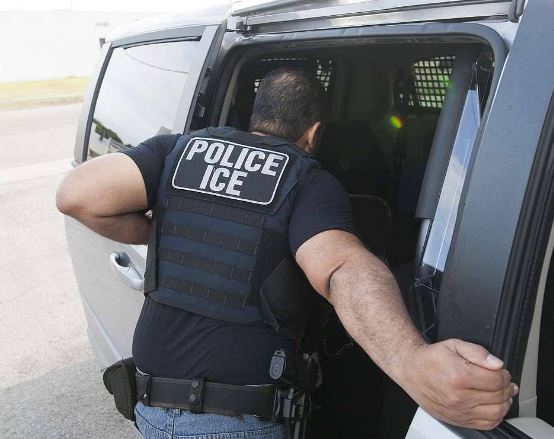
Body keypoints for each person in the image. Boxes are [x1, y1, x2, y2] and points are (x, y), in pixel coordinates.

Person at [57, 68, 517, 439]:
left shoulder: (178, 149)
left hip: (150, 409)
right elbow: (342, 267)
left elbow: (77, 196)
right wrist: (412, 362)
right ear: (314, 133)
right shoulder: (308, 180)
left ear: (255, 114)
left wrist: (161, 232)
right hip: (235, 423)